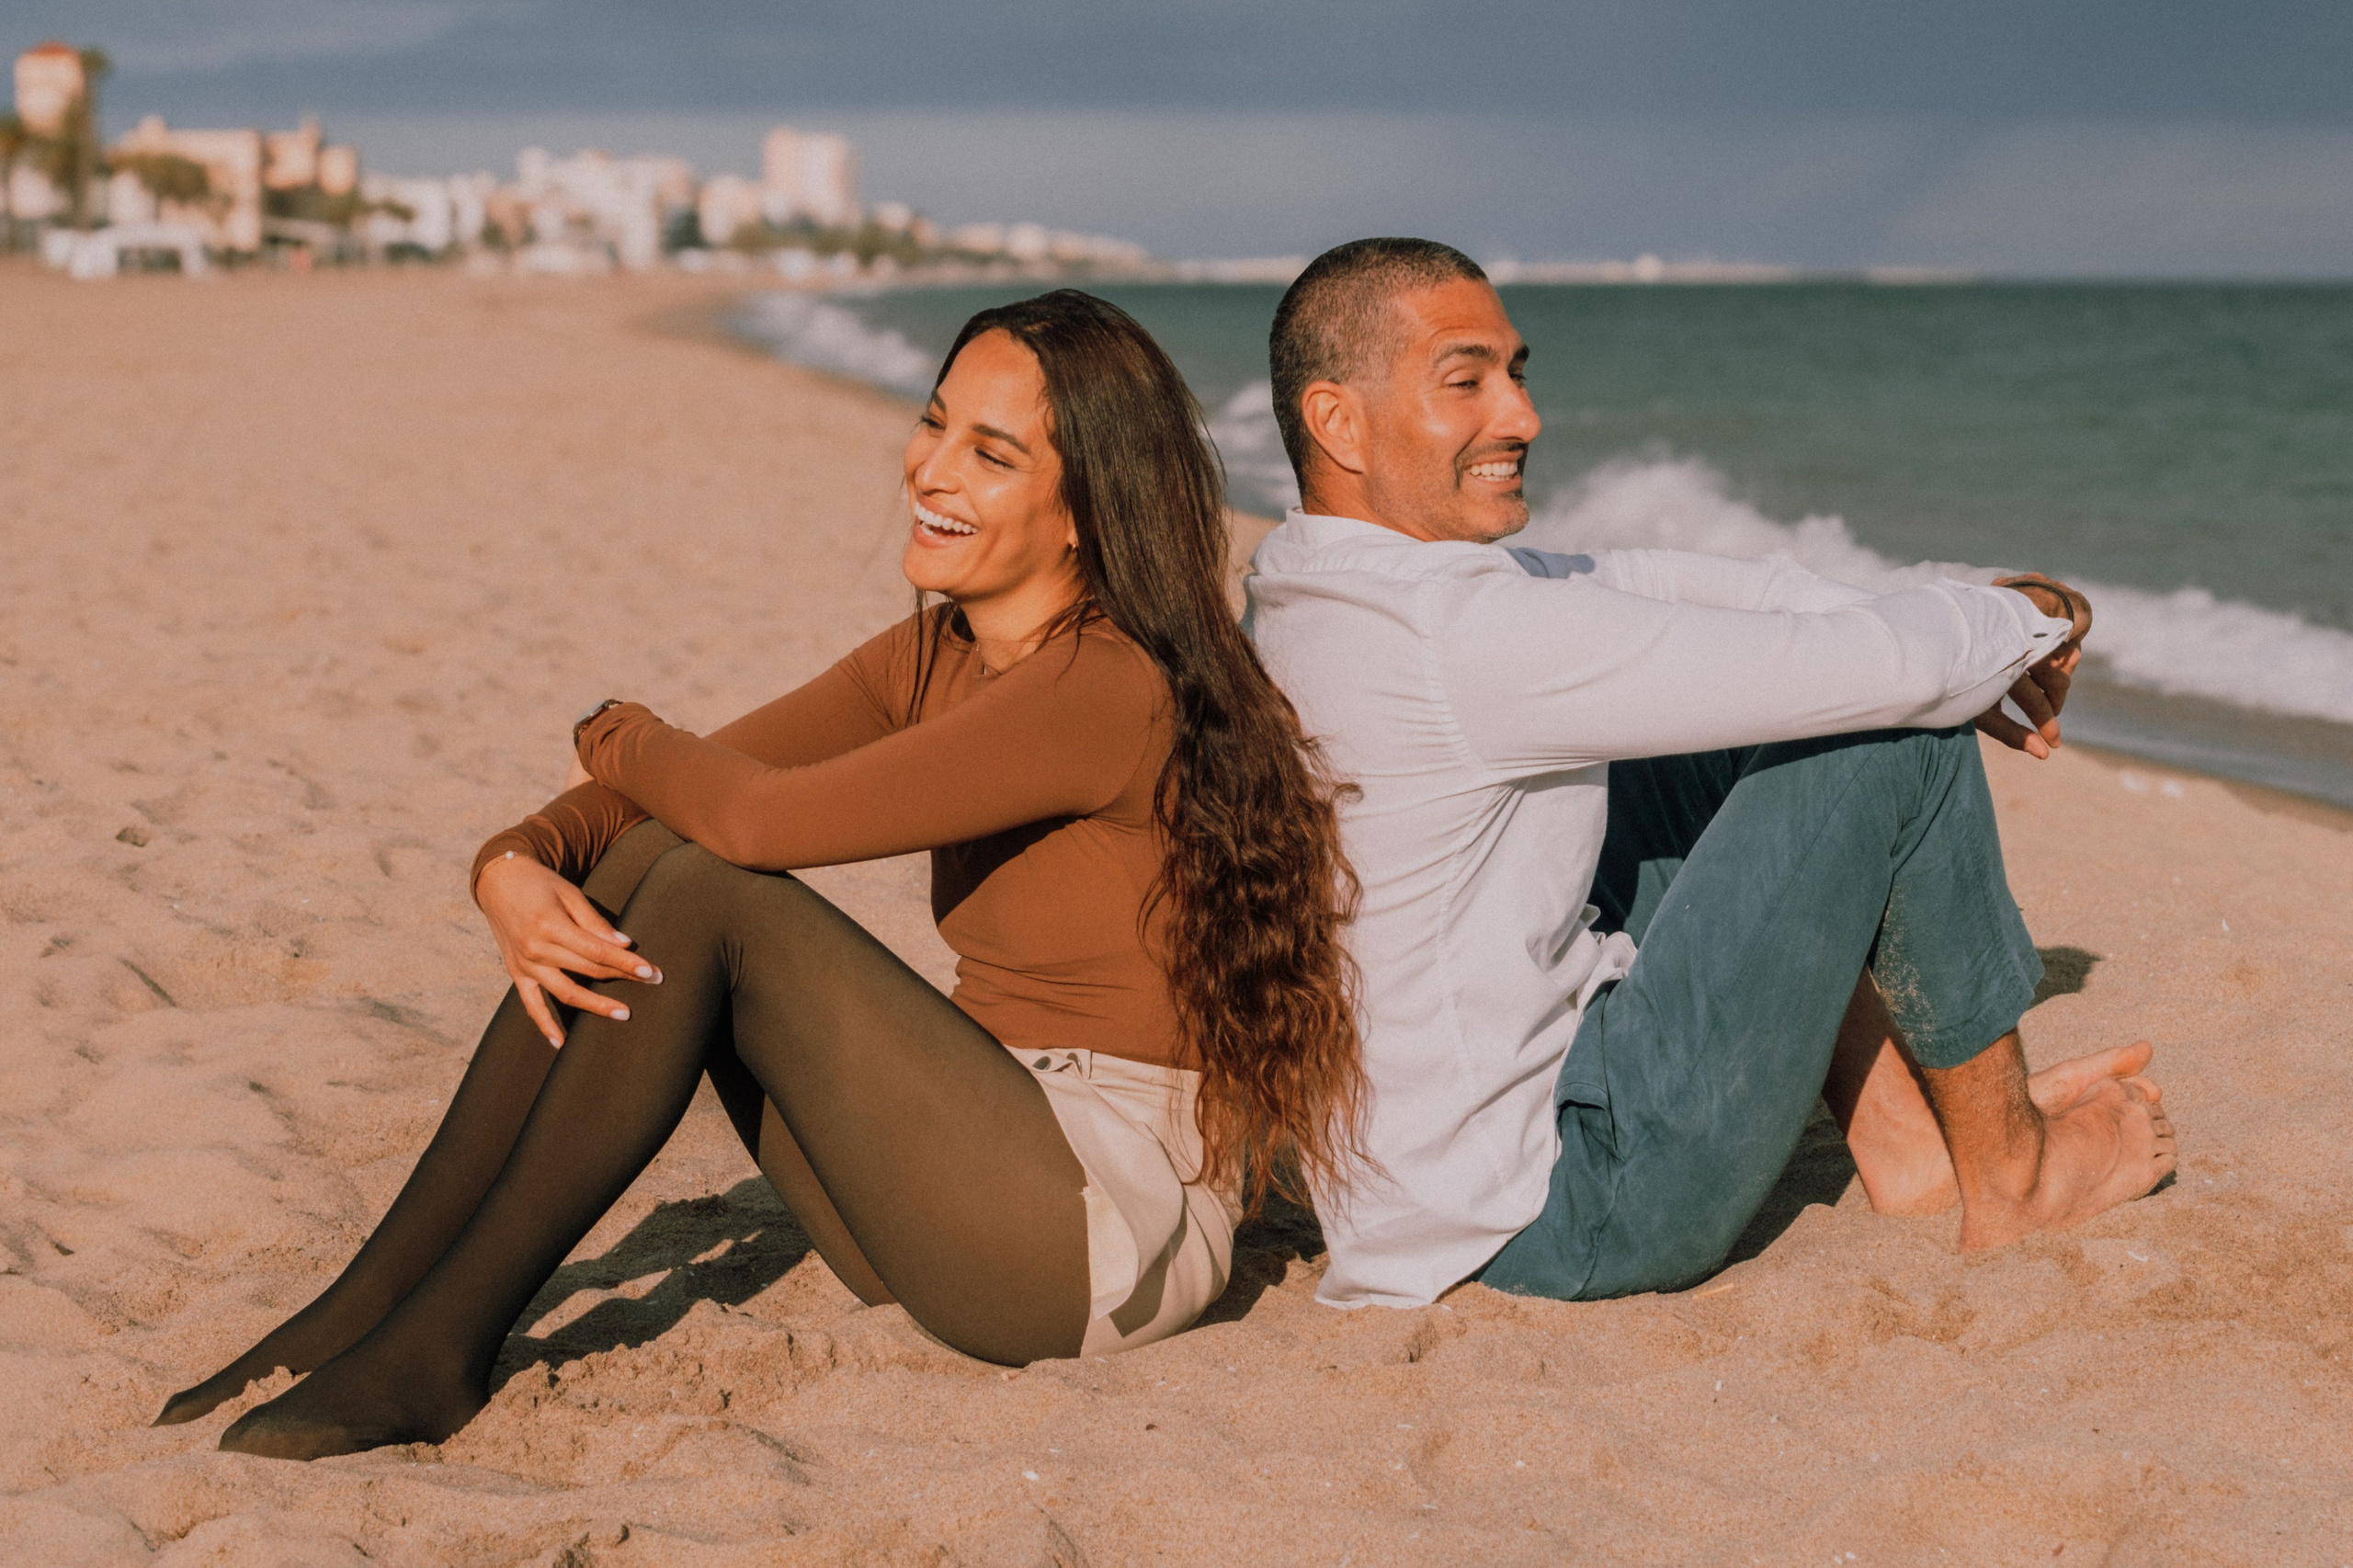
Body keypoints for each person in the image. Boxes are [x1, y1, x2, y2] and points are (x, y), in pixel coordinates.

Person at [155, 290, 1363, 1459]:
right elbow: (666, 801)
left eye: (990, 454)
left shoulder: (1106, 685)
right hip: (961, 1190)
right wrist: (511, 864)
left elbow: (754, 815)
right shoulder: (937, 651)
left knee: (712, 886)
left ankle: (436, 1343)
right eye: (934, 419)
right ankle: (366, 1305)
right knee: (646, 859)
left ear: (1083, 514)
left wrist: (611, 723)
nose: (931, 468)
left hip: (1100, 1229)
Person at [1242, 238, 2176, 1311]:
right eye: (1466, 381)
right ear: (1336, 420)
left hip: (1425, 1188)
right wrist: (2035, 616)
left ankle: (1905, 1140)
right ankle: (2015, 1170)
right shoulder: (1458, 638)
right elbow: (1893, 669)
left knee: (1693, 736)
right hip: (1566, 1208)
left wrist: (1968, 606)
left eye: (1516, 370)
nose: (1521, 415)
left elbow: (1678, 588)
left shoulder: (1309, 584)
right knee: (1900, 732)